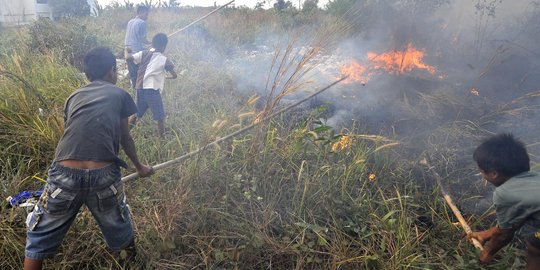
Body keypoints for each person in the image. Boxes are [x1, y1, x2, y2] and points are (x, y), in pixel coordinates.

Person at [23, 47, 153, 270]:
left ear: (87, 75)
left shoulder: (73, 96)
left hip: (63, 174)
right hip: (102, 175)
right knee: (120, 225)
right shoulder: (120, 94)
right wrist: (140, 167)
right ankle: (134, 263)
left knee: (38, 238)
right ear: (112, 71)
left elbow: (73, 131)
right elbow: (125, 138)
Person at [469, 133, 540, 269]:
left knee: (534, 247)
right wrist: (489, 233)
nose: (481, 175)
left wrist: (488, 252)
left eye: (482, 172)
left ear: (493, 174)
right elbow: (518, 218)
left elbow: (504, 235)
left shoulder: (504, 193)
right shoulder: (535, 177)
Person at [125, 33, 177, 137]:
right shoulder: (164, 59)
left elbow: (128, 58)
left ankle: (124, 134)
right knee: (160, 116)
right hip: (152, 90)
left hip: (140, 88)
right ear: (163, 47)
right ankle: (161, 140)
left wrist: (126, 50)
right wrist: (168, 77)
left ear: (152, 44)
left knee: (137, 113)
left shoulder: (143, 53)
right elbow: (174, 75)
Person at [125, 5, 150, 89]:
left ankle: (133, 92)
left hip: (127, 52)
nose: (147, 16)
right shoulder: (142, 23)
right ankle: (138, 94)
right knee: (139, 75)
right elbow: (142, 39)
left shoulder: (130, 21)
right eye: (146, 14)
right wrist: (152, 42)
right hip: (136, 53)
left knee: (133, 75)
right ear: (140, 13)